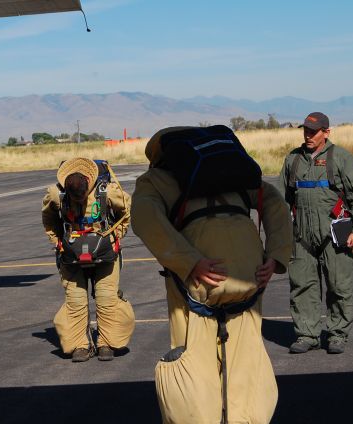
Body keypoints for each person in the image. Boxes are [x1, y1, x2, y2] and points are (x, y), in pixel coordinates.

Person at [131, 126, 292, 423]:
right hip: (249, 278)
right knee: (247, 367)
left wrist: (189, 261)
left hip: (196, 287)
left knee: (194, 370)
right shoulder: (235, 174)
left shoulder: (158, 179)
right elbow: (275, 203)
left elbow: (144, 216)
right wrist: (276, 256)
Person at [279, 112, 353, 354]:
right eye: (306, 131)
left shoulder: (341, 157)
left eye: (314, 131)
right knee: (301, 285)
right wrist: (279, 233)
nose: (308, 135)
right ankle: (306, 334)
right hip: (301, 234)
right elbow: (281, 200)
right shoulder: (293, 159)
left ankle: (337, 334)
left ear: (326, 132)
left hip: (336, 232)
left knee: (339, 285)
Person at [42, 158, 135, 362]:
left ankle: (106, 344)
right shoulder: (56, 194)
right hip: (70, 253)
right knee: (75, 302)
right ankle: (79, 345)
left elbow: (126, 210)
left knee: (107, 298)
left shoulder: (107, 191)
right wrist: (57, 241)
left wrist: (116, 235)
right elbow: (49, 218)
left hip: (105, 251)